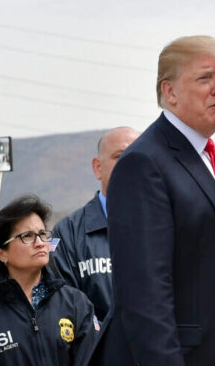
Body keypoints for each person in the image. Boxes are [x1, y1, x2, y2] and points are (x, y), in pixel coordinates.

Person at [97, 35, 215, 366]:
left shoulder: (210, 157)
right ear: (170, 92)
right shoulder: (144, 164)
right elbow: (145, 299)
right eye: (205, 77)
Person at [0, 195, 98, 366]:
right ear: (1, 254)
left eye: (43, 234)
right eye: (27, 236)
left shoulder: (76, 304)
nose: (40, 243)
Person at [51, 126, 139, 321]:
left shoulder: (167, 225)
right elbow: (62, 309)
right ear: (98, 168)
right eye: (119, 156)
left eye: (138, 157)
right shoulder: (68, 234)